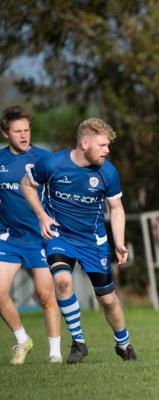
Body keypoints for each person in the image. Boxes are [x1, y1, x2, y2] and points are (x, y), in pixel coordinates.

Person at [21, 117, 137, 363]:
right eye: (103, 145)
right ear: (85, 143)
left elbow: (116, 208)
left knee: (107, 299)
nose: (108, 150)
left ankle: (123, 343)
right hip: (59, 236)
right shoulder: (52, 163)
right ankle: (79, 342)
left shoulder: (107, 171)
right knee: (62, 281)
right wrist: (42, 216)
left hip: (93, 241)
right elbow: (27, 185)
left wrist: (119, 242)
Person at [0, 105, 62, 364]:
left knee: (46, 295)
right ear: (6, 133)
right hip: (9, 238)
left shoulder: (45, 160)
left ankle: (55, 354)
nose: (24, 135)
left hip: (40, 239)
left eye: (27, 130)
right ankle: (22, 340)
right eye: (18, 131)